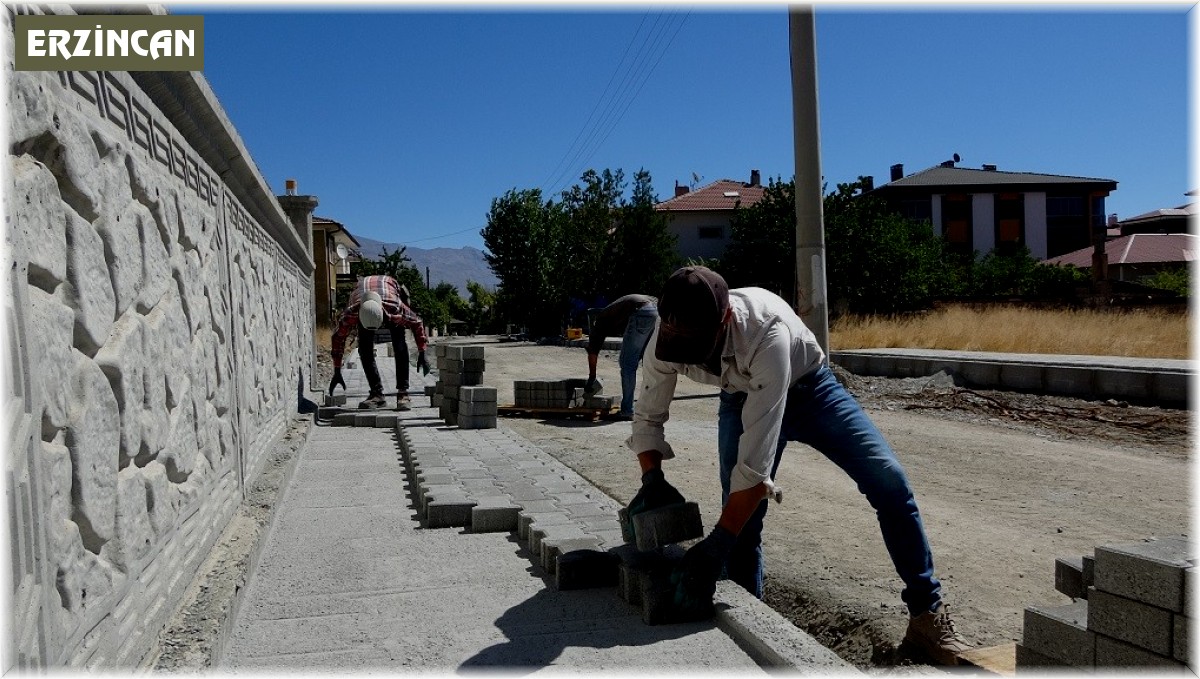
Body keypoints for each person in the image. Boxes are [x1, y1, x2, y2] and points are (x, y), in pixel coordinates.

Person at [624, 265, 971, 666]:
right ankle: (749, 629)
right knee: (743, 526)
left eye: (696, 346)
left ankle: (927, 618)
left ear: (725, 319)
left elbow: (754, 471)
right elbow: (647, 417)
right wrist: (652, 479)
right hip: (738, 396)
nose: (684, 353)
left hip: (812, 391)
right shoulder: (663, 338)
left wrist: (714, 546)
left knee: (889, 481)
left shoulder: (765, 332)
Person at [329, 275, 431, 410]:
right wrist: (337, 371)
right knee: (364, 349)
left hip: (388, 292)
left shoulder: (394, 308)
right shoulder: (351, 313)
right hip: (363, 299)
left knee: (400, 345)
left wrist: (422, 352)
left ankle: (403, 393)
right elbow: (337, 338)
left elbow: (417, 322)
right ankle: (377, 395)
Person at [585, 294, 658, 419]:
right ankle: (650, 407)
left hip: (640, 313)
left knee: (627, 364)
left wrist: (592, 377)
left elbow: (593, 353)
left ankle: (627, 410)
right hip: (655, 313)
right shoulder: (614, 312)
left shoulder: (600, 323)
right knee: (646, 361)